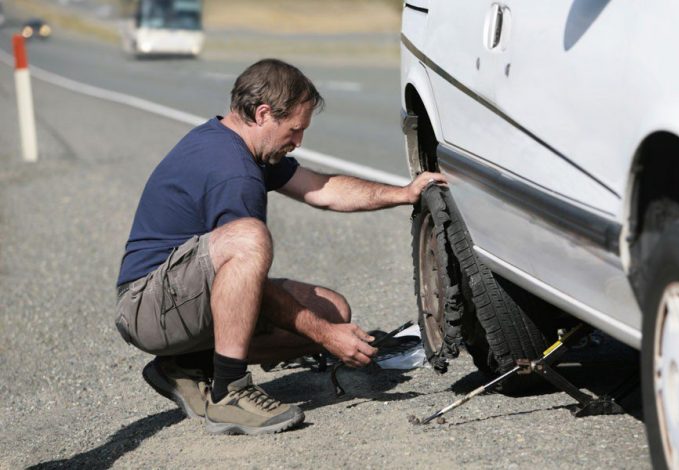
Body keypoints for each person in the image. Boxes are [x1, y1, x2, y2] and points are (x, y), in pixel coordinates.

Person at [114, 58, 445, 436]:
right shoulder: (231, 170)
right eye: (295, 129)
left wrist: (403, 193)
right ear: (263, 113)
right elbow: (247, 271)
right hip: (147, 306)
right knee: (250, 240)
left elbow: (323, 190)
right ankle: (229, 392)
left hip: (178, 297)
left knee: (333, 310)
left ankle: (185, 364)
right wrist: (324, 336)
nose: (298, 141)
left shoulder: (239, 144)